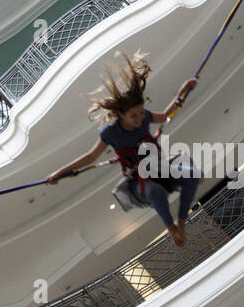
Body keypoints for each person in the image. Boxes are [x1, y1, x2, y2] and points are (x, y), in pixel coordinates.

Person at [46, 51, 199, 247]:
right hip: (139, 181)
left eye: (141, 114)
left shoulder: (144, 117)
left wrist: (185, 89)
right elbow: (90, 157)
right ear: (121, 114)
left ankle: (181, 223)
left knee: (192, 175)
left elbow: (167, 114)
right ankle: (171, 230)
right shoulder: (110, 132)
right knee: (155, 191)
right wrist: (59, 174)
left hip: (160, 169)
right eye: (134, 116)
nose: (139, 119)